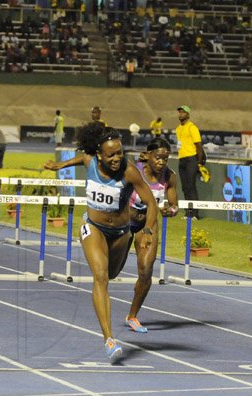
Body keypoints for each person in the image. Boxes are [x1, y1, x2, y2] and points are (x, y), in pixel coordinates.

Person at [44, 123, 158, 362]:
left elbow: (151, 202)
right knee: (101, 276)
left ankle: (122, 247)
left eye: (120, 153)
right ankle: (108, 339)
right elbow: (79, 158)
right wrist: (59, 165)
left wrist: (147, 229)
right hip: (93, 228)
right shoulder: (90, 162)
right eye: (111, 155)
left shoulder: (129, 172)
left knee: (113, 273)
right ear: (99, 155)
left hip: (120, 233)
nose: (117, 158)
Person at [126, 137, 178, 333]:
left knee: (146, 271)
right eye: (158, 157)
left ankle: (133, 316)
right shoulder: (134, 170)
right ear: (148, 155)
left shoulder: (170, 177)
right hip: (124, 220)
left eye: (165, 158)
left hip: (147, 226)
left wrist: (170, 211)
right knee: (112, 269)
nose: (161, 162)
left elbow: (174, 206)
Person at [176, 105, 203, 220]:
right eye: (179, 112)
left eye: (183, 112)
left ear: (188, 114)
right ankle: (188, 213)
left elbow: (198, 145)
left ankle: (195, 214)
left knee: (191, 186)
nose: (180, 114)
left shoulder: (192, 127)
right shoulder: (178, 128)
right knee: (185, 187)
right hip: (182, 159)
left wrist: (199, 162)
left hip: (191, 159)